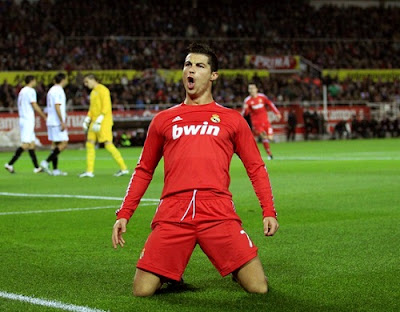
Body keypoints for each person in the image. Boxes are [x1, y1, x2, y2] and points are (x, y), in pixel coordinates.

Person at [112, 43, 279, 297]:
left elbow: (255, 167)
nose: (191, 70)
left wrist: (268, 210)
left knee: (259, 287)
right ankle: (169, 274)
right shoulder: (163, 119)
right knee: (142, 291)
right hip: (174, 210)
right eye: (187, 64)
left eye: (199, 65)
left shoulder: (232, 119)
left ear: (213, 75)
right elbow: (144, 169)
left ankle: (236, 268)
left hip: (217, 210)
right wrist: (125, 213)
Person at [79, 74, 129, 178]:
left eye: (87, 82)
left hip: (104, 121)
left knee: (107, 144)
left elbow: (106, 106)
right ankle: (89, 171)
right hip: (94, 121)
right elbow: (92, 108)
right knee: (89, 143)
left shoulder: (103, 90)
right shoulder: (93, 93)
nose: (86, 84)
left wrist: (100, 119)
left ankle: (124, 168)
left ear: (93, 80)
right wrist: (87, 119)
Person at [4, 75, 46, 174]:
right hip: (28, 119)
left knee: (31, 144)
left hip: (23, 118)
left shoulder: (22, 91)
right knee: (26, 144)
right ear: (32, 81)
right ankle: (9, 164)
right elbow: (34, 104)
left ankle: (36, 168)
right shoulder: (30, 91)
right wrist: (43, 116)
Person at [40, 73, 69, 176]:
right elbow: (57, 106)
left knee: (55, 144)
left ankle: (55, 170)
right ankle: (46, 162)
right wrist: (62, 121)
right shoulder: (58, 90)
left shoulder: (51, 90)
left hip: (51, 120)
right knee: (64, 143)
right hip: (56, 122)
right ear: (63, 80)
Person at [243, 83, 281, 160]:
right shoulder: (247, 100)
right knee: (263, 136)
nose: (251, 90)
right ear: (248, 91)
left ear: (256, 89)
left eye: (253, 88)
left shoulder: (262, 97)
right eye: (250, 89)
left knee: (270, 138)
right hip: (256, 123)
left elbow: (270, 104)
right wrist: (246, 109)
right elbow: (245, 113)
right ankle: (269, 154)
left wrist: (277, 113)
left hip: (266, 121)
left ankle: (268, 151)